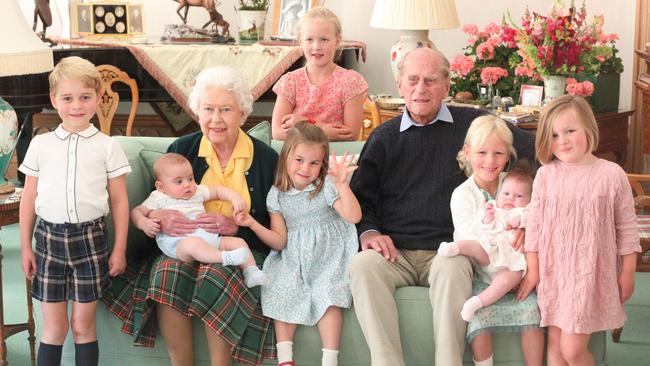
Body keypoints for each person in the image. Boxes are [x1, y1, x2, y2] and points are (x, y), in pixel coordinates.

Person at [348, 47, 536, 366]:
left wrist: (530, 218)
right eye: (413, 80)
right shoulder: (383, 138)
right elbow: (360, 198)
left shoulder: (473, 123)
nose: (421, 88)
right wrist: (368, 232)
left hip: (448, 250)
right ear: (400, 84)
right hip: (395, 252)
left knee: (452, 267)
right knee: (362, 266)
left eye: (431, 80)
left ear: (446, 85)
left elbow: (535, 150)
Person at [105, 66, 278, 366]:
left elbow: (275, 223)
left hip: (238, 248)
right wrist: (161, 219)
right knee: (167, 272)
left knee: (218, 274)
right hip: (180, 245)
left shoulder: (265, 158)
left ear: (242, 113)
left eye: (226, 109)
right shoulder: (182, 149)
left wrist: (236, 229)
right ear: (198, 111)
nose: (216, 119)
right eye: (208, 109)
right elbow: (155, 199)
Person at [18, 56, 131, 366]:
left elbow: (120, 202)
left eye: (85, 97)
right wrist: (26, 247)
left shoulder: (108, 146)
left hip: (91, 241)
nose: (77, 105)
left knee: (83, 326)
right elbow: (29, 198)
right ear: (55, 100)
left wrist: (119, 248)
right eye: (67, 98)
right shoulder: (41, 145)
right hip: (48, 241)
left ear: (98, 97)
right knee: (54, 328)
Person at [519, 95, 641, 365]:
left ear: (588, 127)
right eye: (554, 134)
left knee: (572, 350)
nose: (562, 140)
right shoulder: (546, 175)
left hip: (589, 275)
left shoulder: (611, 175)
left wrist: (629, 271)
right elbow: (534, 227)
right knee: (555, 348)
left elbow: (627, 228)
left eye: (570, 131)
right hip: (555, 273)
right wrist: (534, 268)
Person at [235, 122, 360, 366]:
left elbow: (353, 217)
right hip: (294, 253)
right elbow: (279, 241)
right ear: (286, 157)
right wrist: (252, 223)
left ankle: (330, 360)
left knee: (329, 292)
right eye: (299, 160)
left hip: (329, 253)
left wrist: (342, 185)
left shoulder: (325, 186)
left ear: (322, 164)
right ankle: (285, 360)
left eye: (314, 163)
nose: (305, 168)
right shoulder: (277, 194)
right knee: (281, 286)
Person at [445, 116, 543, 366]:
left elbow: (538, 213)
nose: (490, 161)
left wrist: (526, 229)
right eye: (482, 152)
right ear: (467, 153)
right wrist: (500, 227)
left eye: (498, 153)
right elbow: (470, 239)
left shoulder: (516, 184)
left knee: (532, 312)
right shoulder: (463, 195)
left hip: (517, 269)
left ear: (508, 154)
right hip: (485, 273)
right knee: (478, 317)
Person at [131, 153, 266, 287]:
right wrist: (144, 223)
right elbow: (136, 212)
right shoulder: (158, 197)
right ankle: (224, 258)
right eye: (179, 181)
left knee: (238, 242)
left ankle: (251, 272)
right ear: (160, 186)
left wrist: (235, 198)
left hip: (209, 237)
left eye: (190, 178)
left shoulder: (197, 192)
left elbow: (219, 191)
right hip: (179, 243)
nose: (187, 185)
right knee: (193, 244)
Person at [441, 160, 534, 321]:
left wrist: (523, 223)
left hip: (511, 261)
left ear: (529, 199)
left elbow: (538, 220)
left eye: (519, 196)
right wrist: (488, 218)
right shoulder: (492, 206)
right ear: (499, 193)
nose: (510, 199)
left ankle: (477, 302)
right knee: (476, 246)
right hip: (489, 250)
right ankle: (453, 248)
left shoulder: (526, 211)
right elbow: (480, 229)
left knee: (508, 280)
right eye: (506, 194)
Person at [271, 7, 368, 141]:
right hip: (299, 159)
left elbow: (350, 134)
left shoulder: (350, 81)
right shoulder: (290, 82)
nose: (316, 46)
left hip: (336, 158)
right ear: (300, 41)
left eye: (324, 39)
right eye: (309, 39)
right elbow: (277, 132)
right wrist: (323, 132)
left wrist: (305, 123)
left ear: (337, 40)